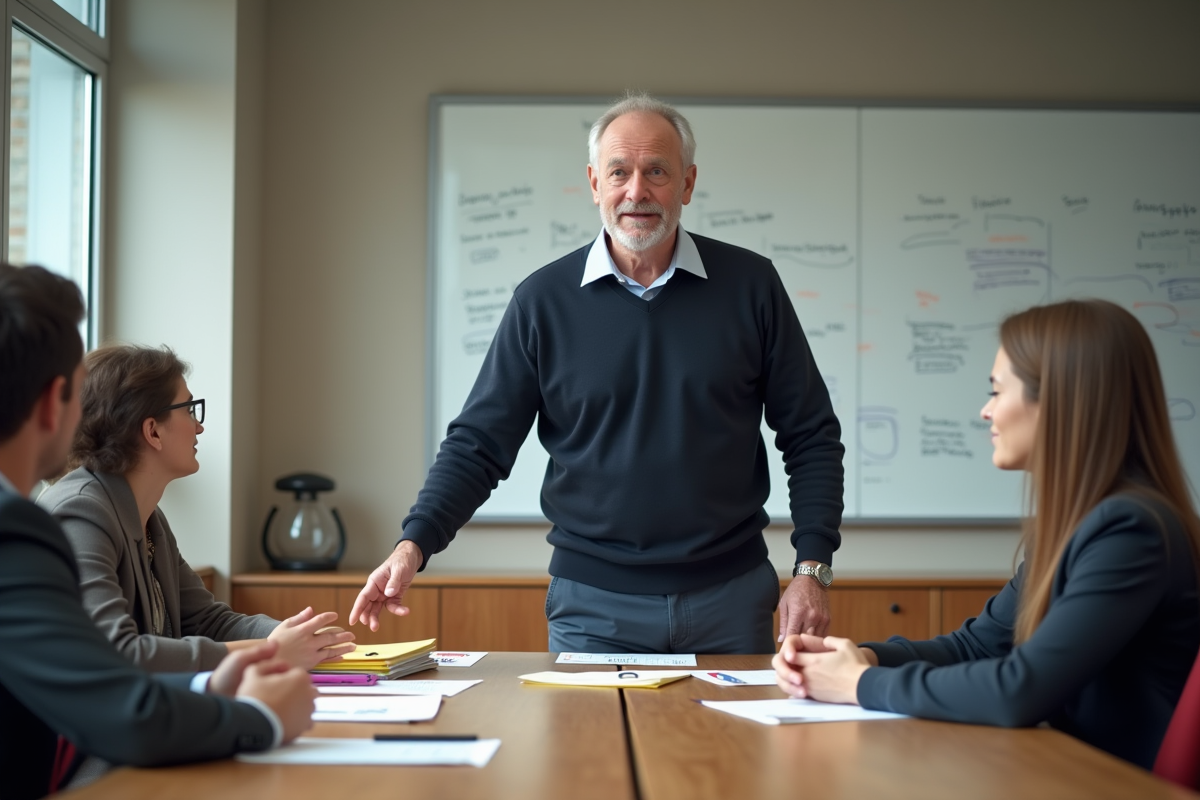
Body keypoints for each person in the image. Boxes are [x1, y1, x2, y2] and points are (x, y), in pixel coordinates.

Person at [351, 92, 845, 654]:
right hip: (592, 608)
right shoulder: (542, 302)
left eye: (656, 171)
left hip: (730, 603)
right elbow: (478, 445)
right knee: (590, 748)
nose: (637, 191)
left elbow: (811, 438)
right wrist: (413, 544)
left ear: (686, 184)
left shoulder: (752, 287)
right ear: (594, 184)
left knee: (730, 746)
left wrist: (813, 569)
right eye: (619, 172)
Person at [773, 298, 1200, 769]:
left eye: (997, 391)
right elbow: (974, 647)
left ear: (1060, 400)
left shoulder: (1131, 531)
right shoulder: (1081, 525)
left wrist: (856, 685)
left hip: (1107, 783)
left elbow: (1021, 689)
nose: (984, 411)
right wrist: (859, 657)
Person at [0, 263, 316, 799]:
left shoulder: (147, 516)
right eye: (76, 393)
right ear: (55, 403)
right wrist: (259, 712)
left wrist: (259, 649)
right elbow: (116, 689)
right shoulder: (37, 523)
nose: (199, 424)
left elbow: (197, 618)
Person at [37, 344, 356, 673]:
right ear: (153, 431)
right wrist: (271, 651)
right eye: (189, 409)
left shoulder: (148, 517)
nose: (199, 427)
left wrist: (294, 636)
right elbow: (116, 652)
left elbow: (206, 621)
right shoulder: (80, 512)